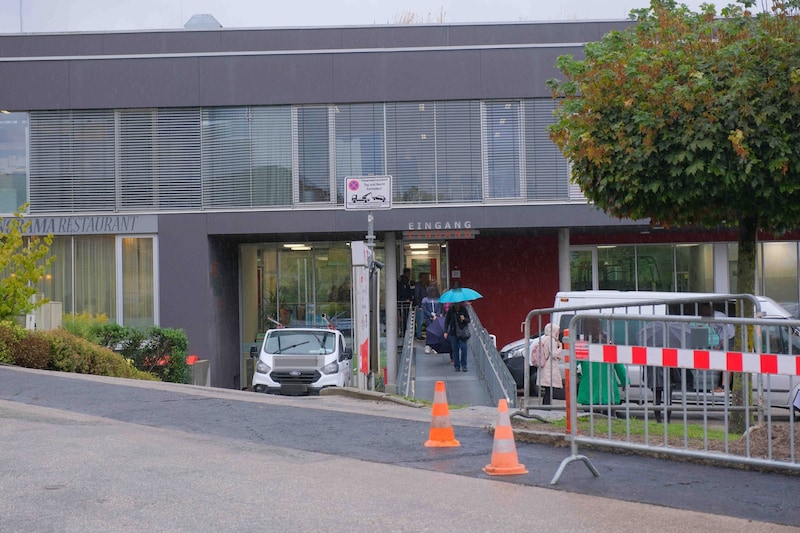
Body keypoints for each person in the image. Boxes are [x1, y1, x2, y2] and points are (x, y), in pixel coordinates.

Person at [577, 319, 627, 407]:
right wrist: (625, 382)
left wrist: (581, 376)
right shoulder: (610, 347)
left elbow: (573, 367)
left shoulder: (584, 348)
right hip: (608, 393)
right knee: (609, 418)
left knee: (588, 417)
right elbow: (620, 368)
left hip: (588, 392)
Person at [536, 323, 563, 405]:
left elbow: (547, 352)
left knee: (548, 390)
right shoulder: (551, 340)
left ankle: (546, 406)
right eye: (556, 331)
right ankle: (547, 407)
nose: (557, 333)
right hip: (549, 367)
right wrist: (560, 348)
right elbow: (554, 354)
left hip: (544, 365)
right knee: (549, 390)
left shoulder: (544, 339)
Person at [444, 301, 471, 372]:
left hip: (462, 333)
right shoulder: (451, 311)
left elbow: (468, 320)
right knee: (455, 349)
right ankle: (457, 365)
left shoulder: (464, 310)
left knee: (464, 348)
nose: (456, 305)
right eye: (455, 304)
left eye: (458, 303)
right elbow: (447, 321)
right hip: (453, 333)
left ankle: (464, 365)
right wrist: (445, 331)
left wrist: (464, 319)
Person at [413, 272, 430, 340]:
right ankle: (419, 334)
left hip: (427, 304)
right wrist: (419, 305)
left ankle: (429, 334)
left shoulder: (427, 285)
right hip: (421, 305)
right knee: (420, 321)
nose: (425, 278)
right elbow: (417, 295)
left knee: (428, 320)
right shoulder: (418, 285)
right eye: (424, 277)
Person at [397, 267, 413, 335]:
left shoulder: (405, 281)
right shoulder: (403, 281)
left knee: (405, 317)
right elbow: (402, 292)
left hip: (405, 302)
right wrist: (405, 299)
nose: (409, 275)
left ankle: (404, 331)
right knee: (404, 317)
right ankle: (404, 331)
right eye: (409, 273)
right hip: (403, 302)